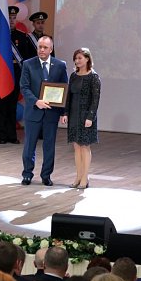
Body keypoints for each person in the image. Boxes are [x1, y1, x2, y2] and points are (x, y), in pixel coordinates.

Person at [19, 35, 68, 186]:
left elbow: (64, 89)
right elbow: (24, 87)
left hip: (51, 113)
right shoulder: (28, 64)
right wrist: (36, 101)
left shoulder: (60, 65)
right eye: (40, 47)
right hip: (33, 112)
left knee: (49, 146)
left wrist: (64, 112)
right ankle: (27, 174)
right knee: (29, 145)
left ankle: (46, 175)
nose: (41, 50)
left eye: (45, 47)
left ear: (51, 49)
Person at [60, 47, 101, 190]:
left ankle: (85, 177)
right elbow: (69, 97)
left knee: (84, 146)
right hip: (74, 115)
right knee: (76, 146)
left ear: (87, 59)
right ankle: (78, 176)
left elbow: (95, 100)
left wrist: (90, 117)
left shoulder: (93, 77)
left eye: (80, 58)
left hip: (86, 116)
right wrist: (65, 113)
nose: (77, 61)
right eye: (75, 58)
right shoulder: (73, 76)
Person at [0, 6, 29, 144]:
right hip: (3, 74)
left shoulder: (22, 36)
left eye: (14, 17)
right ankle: (2, 136)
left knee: (12, 106)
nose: (11, 20)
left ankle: (12, 135)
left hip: (16, 73)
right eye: (9, 17)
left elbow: (26, 58)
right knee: (2, 105)